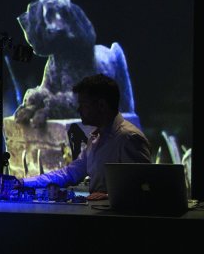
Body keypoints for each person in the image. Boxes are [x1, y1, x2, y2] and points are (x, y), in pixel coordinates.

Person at [16, 73, 151, 200]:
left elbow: (144, 187)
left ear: (101, 105)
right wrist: (23, 182)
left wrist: (109, 196)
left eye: (83, 104)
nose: (78, 109)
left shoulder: (129, 138)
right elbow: (69, 174)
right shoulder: (96, 138)